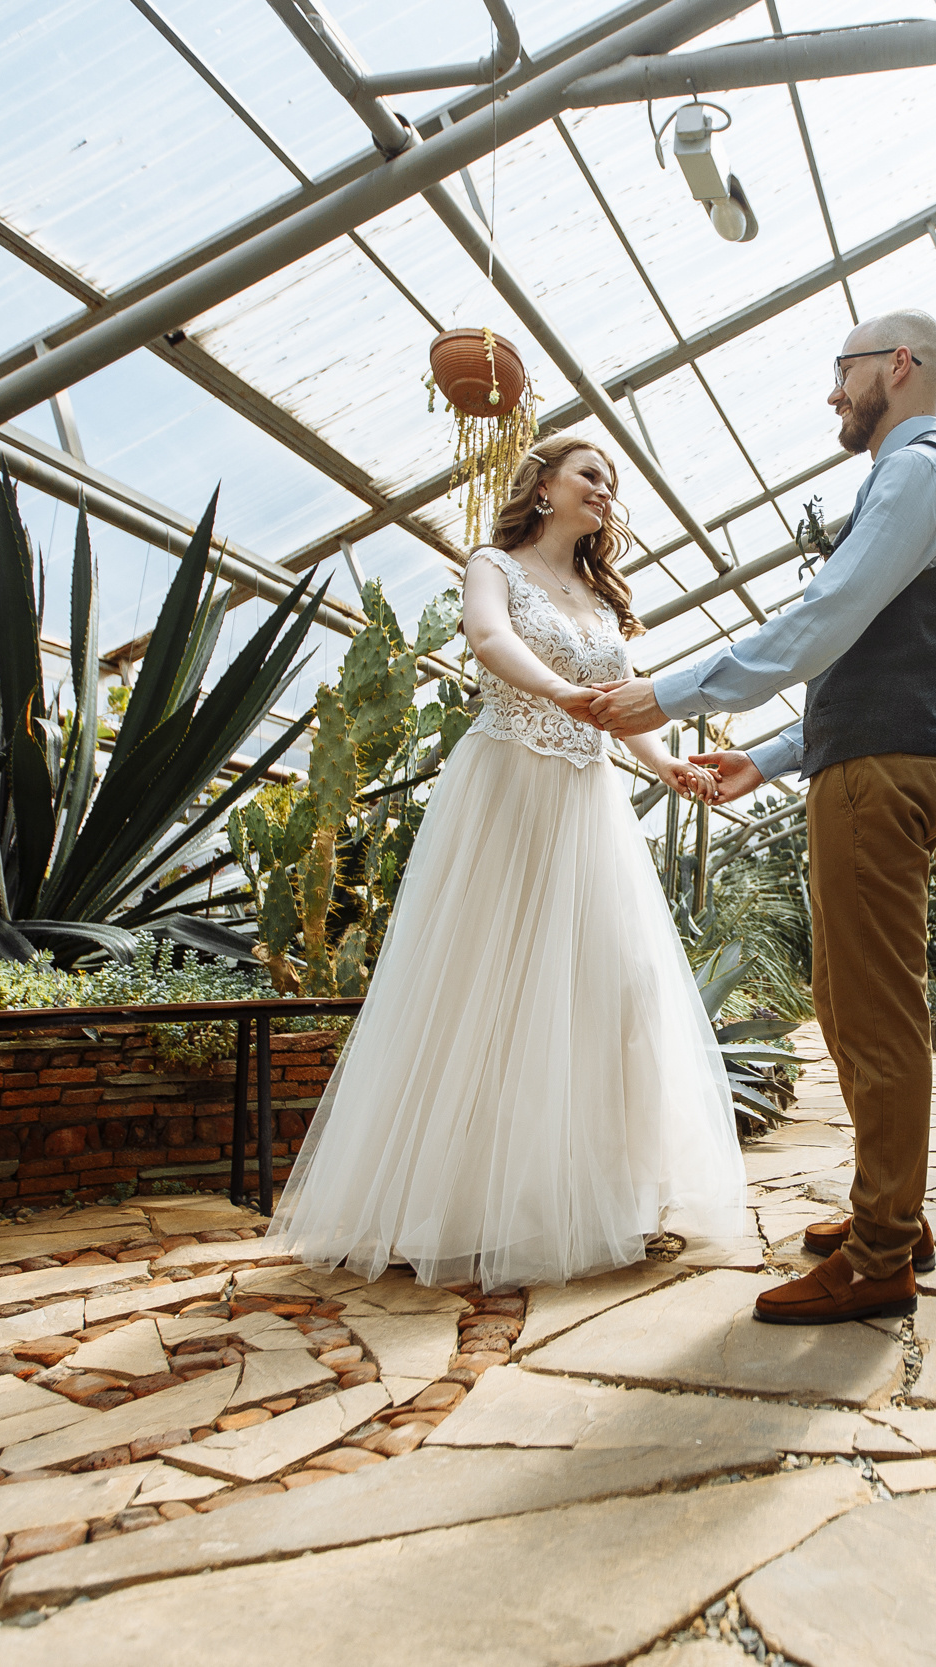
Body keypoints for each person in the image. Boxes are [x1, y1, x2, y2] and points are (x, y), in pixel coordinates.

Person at [271, 435, 747, 1291]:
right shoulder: (493, 565)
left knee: (612, 985)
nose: (606, 490)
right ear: (545, 485)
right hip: (506, 790)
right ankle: (456, 1206)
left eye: (612, 482)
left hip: (588, 808)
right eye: (592, 474)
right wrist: (561, 692)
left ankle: (583, 1194)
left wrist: (667, 765)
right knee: (483, 983)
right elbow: (489, 640)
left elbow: (622, 707)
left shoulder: (601, 602)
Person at [588, 309, 936, 1325]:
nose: (832, 391)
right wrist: (765, 758)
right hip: (863, 760)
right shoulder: (908, 477)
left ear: (899, 365)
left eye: (843, 369)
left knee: (874, 1011)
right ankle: (890, 1211)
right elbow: (866, 649)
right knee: (846, 1003)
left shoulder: (918, 471)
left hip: (877, 772)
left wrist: (667, 695)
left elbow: (822, 620)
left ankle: (880, 1253)